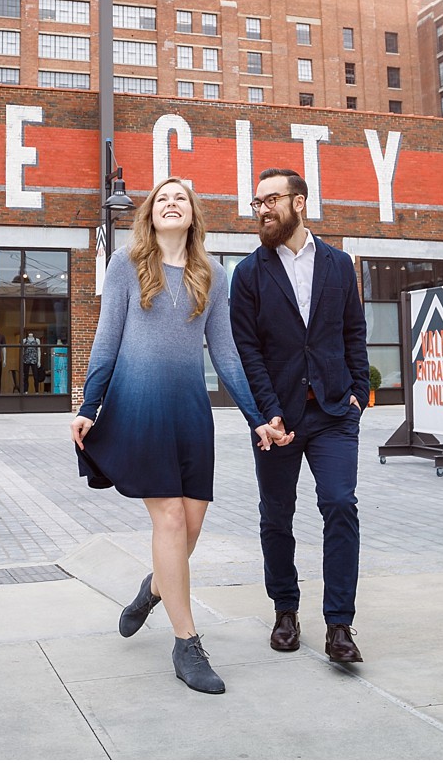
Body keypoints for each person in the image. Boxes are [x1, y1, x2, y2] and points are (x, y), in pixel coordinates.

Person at [71, 177, 284, 695]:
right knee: (167, 517)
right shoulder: (125, 263)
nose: (171, 203)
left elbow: (226, 352)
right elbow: (107, 336)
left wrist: (257, 416)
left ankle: (153, 588)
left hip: (191, 412)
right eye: (162, 198)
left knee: (189, 526)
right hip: (139, 406)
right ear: (150, 213)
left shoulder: (211, 272)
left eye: (180, 198)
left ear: (193, 214)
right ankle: (186, 643)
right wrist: (89, 404)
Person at [229, 167, 370, 664]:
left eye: (271, 200)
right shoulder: (248, 273)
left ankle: (339, 625)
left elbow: (354, 331)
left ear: (300, 203)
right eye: (257, 202)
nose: (262, 209)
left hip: (333, 412)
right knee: (277, 517)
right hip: (277, 419)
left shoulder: (337, 264)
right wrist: (267, 412)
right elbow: (247, 350)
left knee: (340, 505)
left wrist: (359, 392)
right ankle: (285, 610)